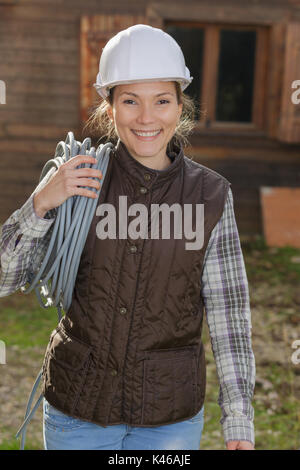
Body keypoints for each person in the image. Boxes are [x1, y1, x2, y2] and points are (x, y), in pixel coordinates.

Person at [0, 24, 255, 450]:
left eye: (161, 101)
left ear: (180, 106)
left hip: (169, 419)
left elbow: (229, 316)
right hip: (77, 411)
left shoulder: (211, 195)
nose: (146, 118)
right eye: (130, 101)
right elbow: (5, 277)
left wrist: (239, 420)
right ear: (110, 107)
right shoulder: (77, 181)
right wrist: (40, 204)